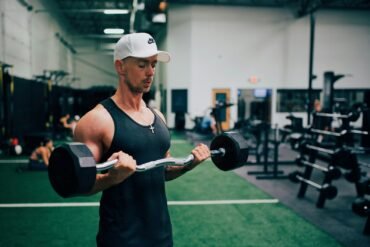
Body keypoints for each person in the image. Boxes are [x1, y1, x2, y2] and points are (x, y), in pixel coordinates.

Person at [73, 32, 210, 246]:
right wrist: (112, 178)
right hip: (121, 239)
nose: (150, 72)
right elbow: (79, 184)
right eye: (142, 65)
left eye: (154, 65)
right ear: (120, 67)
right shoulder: (97, 120)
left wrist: (189, 165)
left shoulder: (158, 117)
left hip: (161, 236)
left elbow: (163, 171)